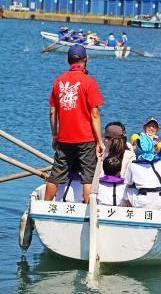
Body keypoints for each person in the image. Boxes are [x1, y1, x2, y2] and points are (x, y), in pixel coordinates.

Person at [44, 44, 105, 203]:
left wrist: (55, 135)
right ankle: (87, 212)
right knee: (87, 178)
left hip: (64, 138)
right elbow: (95, 113)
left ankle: (44, 206)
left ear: (68, 60)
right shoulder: (89, 82)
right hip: (86, 138)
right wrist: (100, 141)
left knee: (55, 175)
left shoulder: (58, 81)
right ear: (86, 59)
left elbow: (52, 112)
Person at [125, 133, 161, 209]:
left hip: (142, 202)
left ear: (139, 148)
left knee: (128, 190)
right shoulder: (159, 162)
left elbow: (128, 182)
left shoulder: (133, 165)